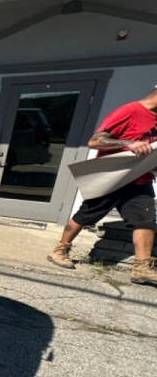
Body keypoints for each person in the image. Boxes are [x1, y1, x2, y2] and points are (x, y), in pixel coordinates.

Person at [48, 87, 157, 285]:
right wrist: (129, 143)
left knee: (145, 220)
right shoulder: (130, 111)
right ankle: (60, 250)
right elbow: (95, 141)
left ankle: (142, 268)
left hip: (140, 179)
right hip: (112, 176)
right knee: (87, 214)